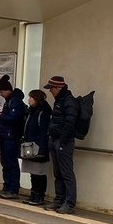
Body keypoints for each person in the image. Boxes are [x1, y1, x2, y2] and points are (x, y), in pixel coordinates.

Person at [44, 76, 80, 214]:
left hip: (63, 141)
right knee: (58, 173)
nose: (50, 91)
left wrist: (63, 141)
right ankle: (59, 200)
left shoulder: (69, 101)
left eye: (51, 88)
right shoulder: (59, 101)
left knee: (66, 173)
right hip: (55, 139)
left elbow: (70, 123)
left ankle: (69, 204)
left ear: (59, 87)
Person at [0, 75, 27, 199]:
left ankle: (13, 189)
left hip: (11, 136)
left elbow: (14, 119)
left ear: (8, 90)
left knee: (11, 163)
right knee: (5, 163)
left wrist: (0, 115)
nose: (1, 94)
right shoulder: (9, 101)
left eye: (2, 92)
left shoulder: (16, 102)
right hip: (6, 135)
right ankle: (6, 187)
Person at [20, 90, 53, 206]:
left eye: (31, 98)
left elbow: (44, 132)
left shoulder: (43, 114)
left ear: (37, 99)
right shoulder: (30, 112)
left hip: (39, 147)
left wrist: (42, 149)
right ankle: (33, 193)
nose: (29, 100)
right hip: (29, 146)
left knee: (39, 172)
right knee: (32, 172)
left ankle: (40, 195)